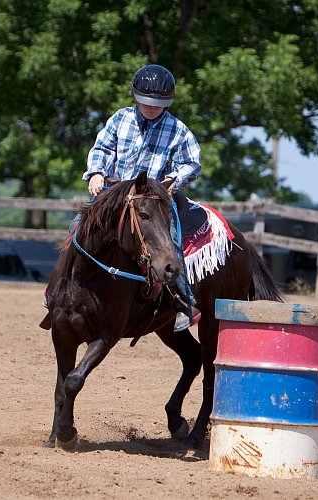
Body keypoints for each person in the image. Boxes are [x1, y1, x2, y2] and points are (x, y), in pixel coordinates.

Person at [82, 64, 202, 331]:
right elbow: (102, 147)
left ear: (167, 102)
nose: (151, 107)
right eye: (147, 102)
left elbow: (192, 163)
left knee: (169, 239)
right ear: (135, 97)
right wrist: (96, 173)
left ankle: (184, 301)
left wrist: (172, 180)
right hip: (115, 194)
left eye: (157, 103)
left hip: (153, 199)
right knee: (78, 229)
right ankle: (63, 288)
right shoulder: (119, 119)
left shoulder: (178, 130)